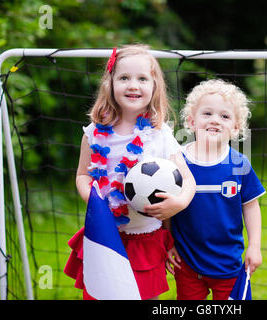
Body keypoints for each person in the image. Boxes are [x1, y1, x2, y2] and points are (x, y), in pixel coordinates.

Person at [64, 44, 196, 300]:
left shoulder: (160, 134)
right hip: (103, 234)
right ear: (110, 83)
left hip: (145, 237)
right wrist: (93, 200)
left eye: (142, 79)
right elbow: (82, 175)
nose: (133, 85)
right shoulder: (93, 133)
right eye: (124, 78)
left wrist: (178, 203)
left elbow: (188, 179)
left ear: (154, 86)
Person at [167, 79, 265, 300]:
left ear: (236, 127)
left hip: (229, 264)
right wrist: (168, 241)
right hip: (188, 263)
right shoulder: (176, 162)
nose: (215, 120)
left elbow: (251, 207)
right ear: (191, 121)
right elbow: (168, 207)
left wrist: (255, 247)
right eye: (207, 113)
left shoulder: (239, 165)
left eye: (225, 116)